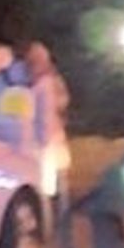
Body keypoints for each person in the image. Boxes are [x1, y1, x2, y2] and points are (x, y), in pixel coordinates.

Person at [20, 41, 71, 204]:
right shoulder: (26, 82)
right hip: (36, 144)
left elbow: (61, 103)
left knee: (53, 187)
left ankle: (58, 213)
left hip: (49, 142)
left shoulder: (50, 81)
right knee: (47, 187)